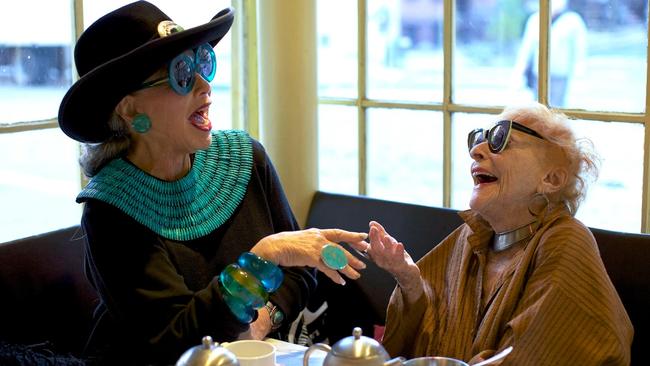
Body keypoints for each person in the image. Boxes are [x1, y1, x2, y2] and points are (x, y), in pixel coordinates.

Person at [56, 2, 368, 365]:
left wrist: (257, 325)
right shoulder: (110, 209)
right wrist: (261, 260)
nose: (205, 86)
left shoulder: (245, 158)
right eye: (182, 74)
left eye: (202, 63)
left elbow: (299, 272)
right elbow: (173, 339)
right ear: (130, 109)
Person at [368, 102, 633, 365]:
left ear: (551, 179)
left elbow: (529, 356)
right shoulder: (473, 235)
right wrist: (411, 283)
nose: (476, 151)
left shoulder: (566, 241)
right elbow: (430, 345)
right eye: (479, 138)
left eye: (500, 138)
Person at [512, 0, 587, 107]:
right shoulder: (535, 20)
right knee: (538, 110)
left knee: (557, 111)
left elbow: (579, 53)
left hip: (560, 76)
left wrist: (578, 78)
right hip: (538, 76)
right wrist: (519, 73)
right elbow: (526, 50)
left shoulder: (573, 21)